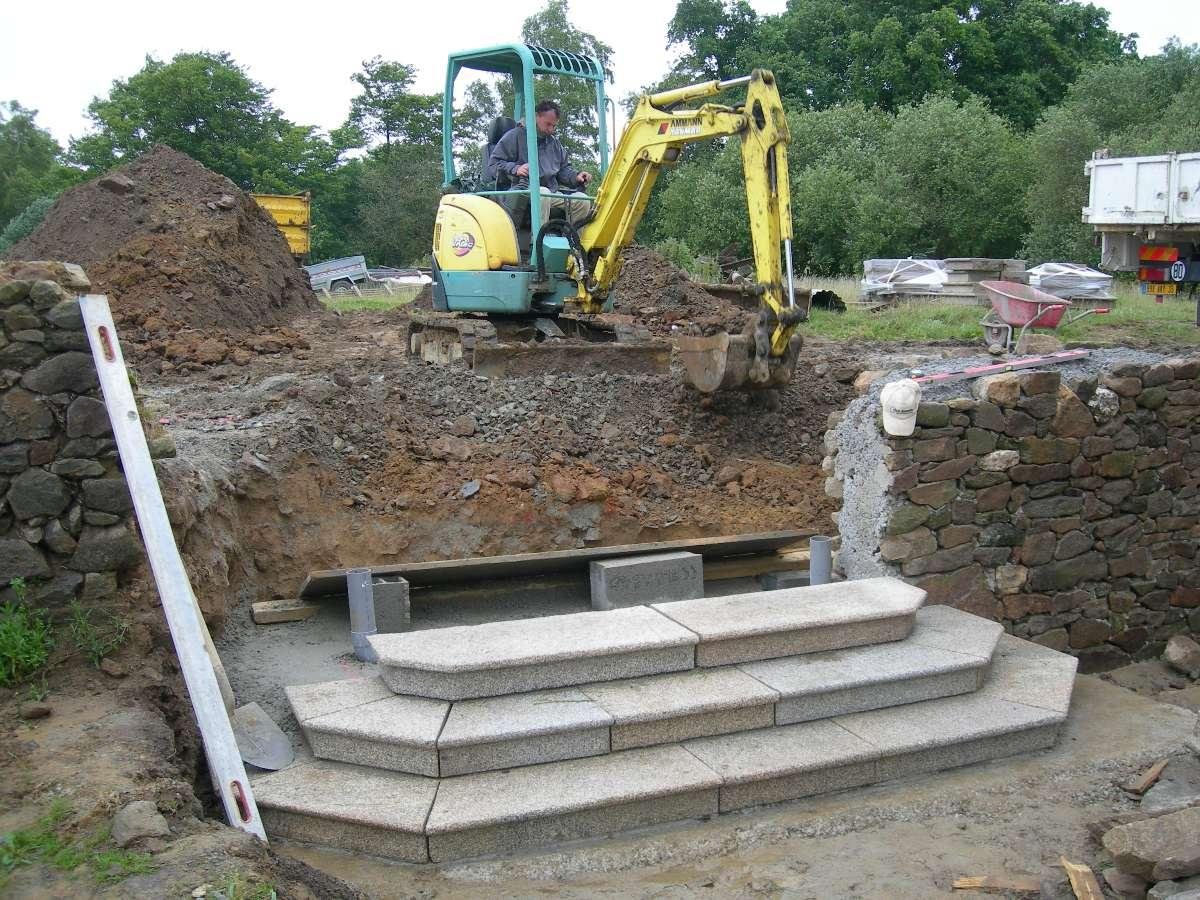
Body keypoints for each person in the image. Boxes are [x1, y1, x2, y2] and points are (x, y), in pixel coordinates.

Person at [487, 100, 594, 228]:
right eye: (548, 124)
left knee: (582, 200)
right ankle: (538, 244)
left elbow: (563, 170)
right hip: (520, 190)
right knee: (542, 193)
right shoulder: (515, 136)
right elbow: (494, 164)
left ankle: (575, 244)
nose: (551, 130)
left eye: (554, 126)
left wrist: (576, 176)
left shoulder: (554, 144)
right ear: (536, 116)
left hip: (550, 192)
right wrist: (516, 169)